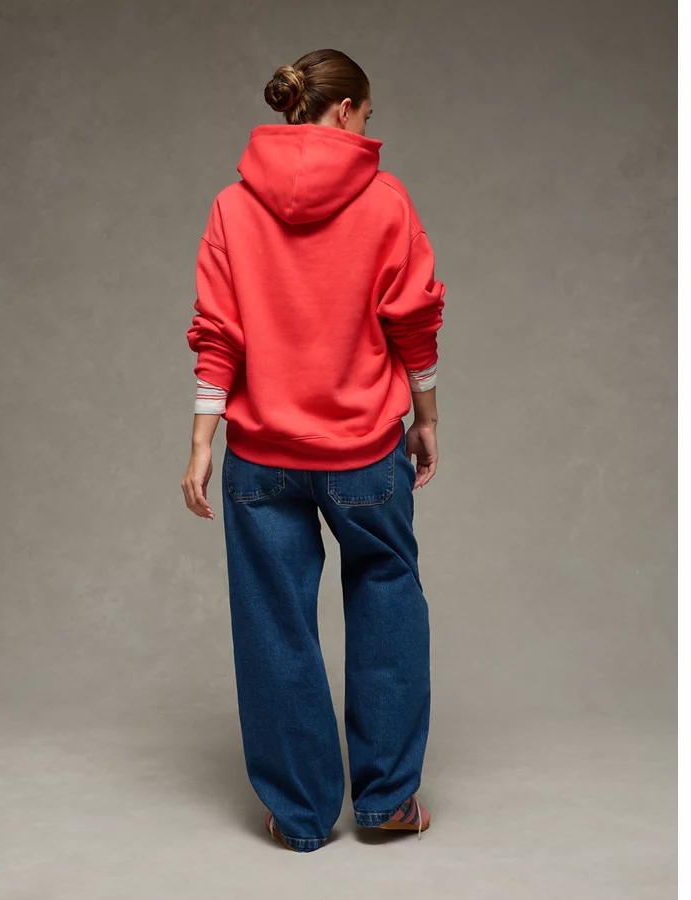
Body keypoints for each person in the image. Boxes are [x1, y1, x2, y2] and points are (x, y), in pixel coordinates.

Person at [181, 48, 445, 853]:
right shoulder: (386, 200)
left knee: (274, 623)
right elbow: (414, 321)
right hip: (364, 451)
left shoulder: (232, 206)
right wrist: (427, 418)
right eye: (368, 115)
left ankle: (299, 815)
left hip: (261, 456)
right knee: (387, 598)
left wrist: (202, 442)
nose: (369, 129)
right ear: (345, 110)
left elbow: (217, 333)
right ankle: (387, 801)